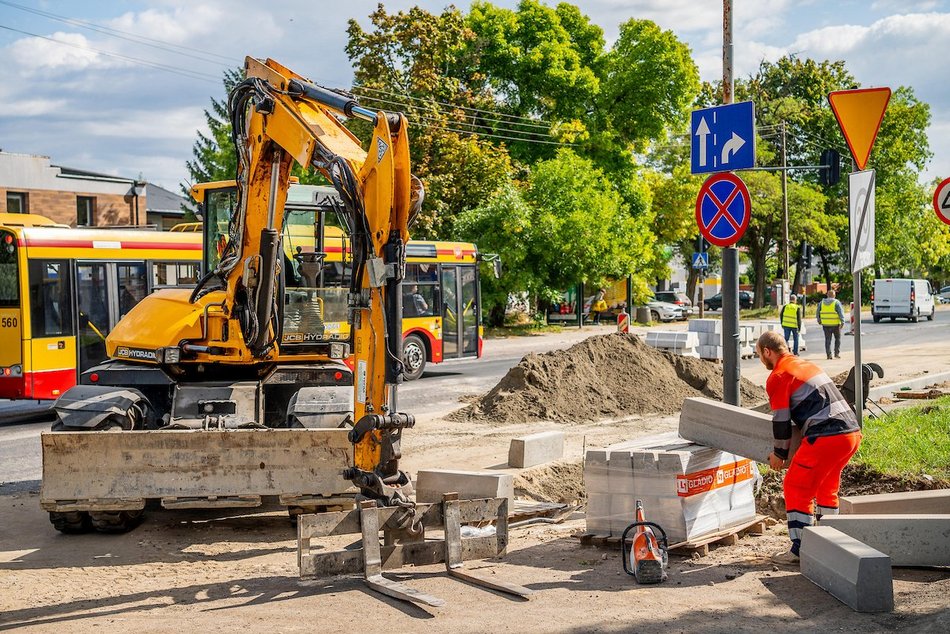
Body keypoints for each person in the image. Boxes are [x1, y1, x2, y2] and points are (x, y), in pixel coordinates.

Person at [755, 330, 862, 565]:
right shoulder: (804, 365)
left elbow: (781, 420)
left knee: (795, 485)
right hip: (850, 434)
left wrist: (779, 455)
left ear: (767, 351)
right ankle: (830, 541)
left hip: (827, 436)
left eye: (760, 356)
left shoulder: (779, 375)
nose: (761, 361)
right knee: (826, 487)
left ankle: (800, 548)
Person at [816, 289, 845, 359]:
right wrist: (842, 322)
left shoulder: (821, 303)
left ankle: (829, 355)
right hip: (836, 325)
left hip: (825, 325)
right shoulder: (836, 303)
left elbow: (817, 313)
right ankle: (836, 354)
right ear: (834, 295)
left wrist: (819, 320)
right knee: (837, 339)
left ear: (827, 295)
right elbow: (841, 313)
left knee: (827, 340)